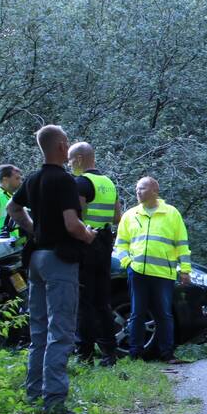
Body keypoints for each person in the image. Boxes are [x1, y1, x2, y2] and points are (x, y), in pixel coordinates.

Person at [6, 125, 95, 414]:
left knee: (39, 332)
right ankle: (55, 403)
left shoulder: (32, 179)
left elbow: (13, 209)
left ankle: (34, 397)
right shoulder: (65, 181)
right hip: (59, 260)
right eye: (66, 143)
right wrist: (88, 236)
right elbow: (72, 224)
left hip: (36, 259)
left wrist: (35, 229)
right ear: (60, 147)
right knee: (62, 332)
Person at [114, 177, 192, 364]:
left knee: (164, 315)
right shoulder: (130, 215)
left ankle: (167, 354)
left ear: (154, 191)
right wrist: (127, 262)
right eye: (136, 188)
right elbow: (121, 243)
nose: (137, 191)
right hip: (137, 272)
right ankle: (135, 355)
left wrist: (185, 270)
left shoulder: (171, 213)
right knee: (137, 314)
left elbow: (182, 244)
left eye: (142, 188)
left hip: (163, 274)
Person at [69, 142, 122, 366]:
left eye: (71, 160)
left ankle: (85, 354)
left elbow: (75, 215)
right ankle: (110, 353)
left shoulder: (81, 183)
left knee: (84, 302)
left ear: (80, 159)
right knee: (103, 301)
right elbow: (117, 217)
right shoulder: (109, 183)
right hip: (105, 243)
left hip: (86, 243)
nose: (69, 164)